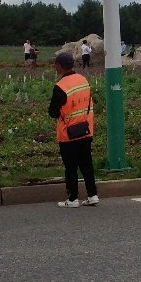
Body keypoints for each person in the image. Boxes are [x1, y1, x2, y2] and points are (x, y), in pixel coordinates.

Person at [49, 50, 98, 208]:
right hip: (85, 129)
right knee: (86, 164)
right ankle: (92, 195)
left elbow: (53, 112)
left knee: (71, 167)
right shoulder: (83, 79)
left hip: (68, 133)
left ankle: (72, 199)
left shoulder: (60, 86)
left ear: (59, 66)